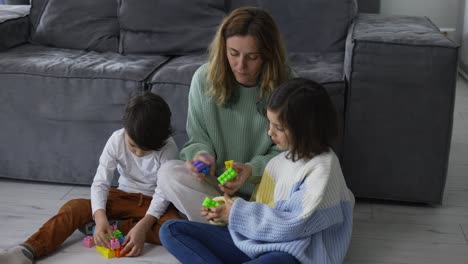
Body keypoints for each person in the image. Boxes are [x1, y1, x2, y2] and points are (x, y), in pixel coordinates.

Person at [159, 78, 355, 264]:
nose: (270, 132)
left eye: (278, 127)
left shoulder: (323, 167)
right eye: (270, 124)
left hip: (292, 251)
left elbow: (296, 224)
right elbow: (262, 210)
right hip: (255, 243)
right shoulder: (279, 161)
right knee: (171, 230)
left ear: (305, 128)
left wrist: (233, 212)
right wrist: (224, 209)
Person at [0, 92, 180, 264]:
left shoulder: (168, 147)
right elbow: (101, 182)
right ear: (125, 130)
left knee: (175, 228)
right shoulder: (117, 140)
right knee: (74, 208)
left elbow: (162, 194)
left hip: (153, 203)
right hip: (122, 196)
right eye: (133, 146)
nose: (139, 153)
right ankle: (27, 250)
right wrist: (100, 216)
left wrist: (143, 226)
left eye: (146, 149)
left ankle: (118, 226)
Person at [158, 6, 292, 223]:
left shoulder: (286, 85)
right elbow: (197, 138)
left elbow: (287, 154)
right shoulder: (203, 79)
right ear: (223, 49)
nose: (240, 65)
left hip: (264, 189)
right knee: (168, 173)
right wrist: (201, 156)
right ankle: (240, 223)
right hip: (217, 189)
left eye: (252, 56)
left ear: (268, 55)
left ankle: (234, 223)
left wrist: (250, 170)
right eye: (233, 54)